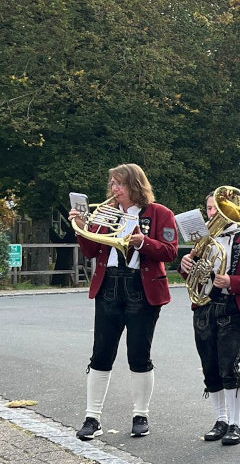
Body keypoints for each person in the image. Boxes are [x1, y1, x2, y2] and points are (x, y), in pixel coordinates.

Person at [71, 163, 179, 440]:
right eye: (113, 184)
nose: (114, 189)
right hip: (109, 286)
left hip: (142, 289)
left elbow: (170, 252)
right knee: (101, 353)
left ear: (136, 185)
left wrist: (143, 243)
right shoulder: (106, 213)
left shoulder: (160, 214)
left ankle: (140, 414)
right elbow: (92, 249)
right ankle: (92, 417)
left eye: (120, 184)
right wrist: (82, 228)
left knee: (139, 355)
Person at [179, 191, 240, 446]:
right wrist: (185, 265)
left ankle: (235, 423)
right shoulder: (202, 240)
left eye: (217, 208)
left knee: (228, 367)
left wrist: (233, 281)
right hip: (204, 306)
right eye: (209, 208)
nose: (213, 213)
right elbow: (192, 274)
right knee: (209, 367)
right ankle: (220, 419)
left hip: (232, 307)